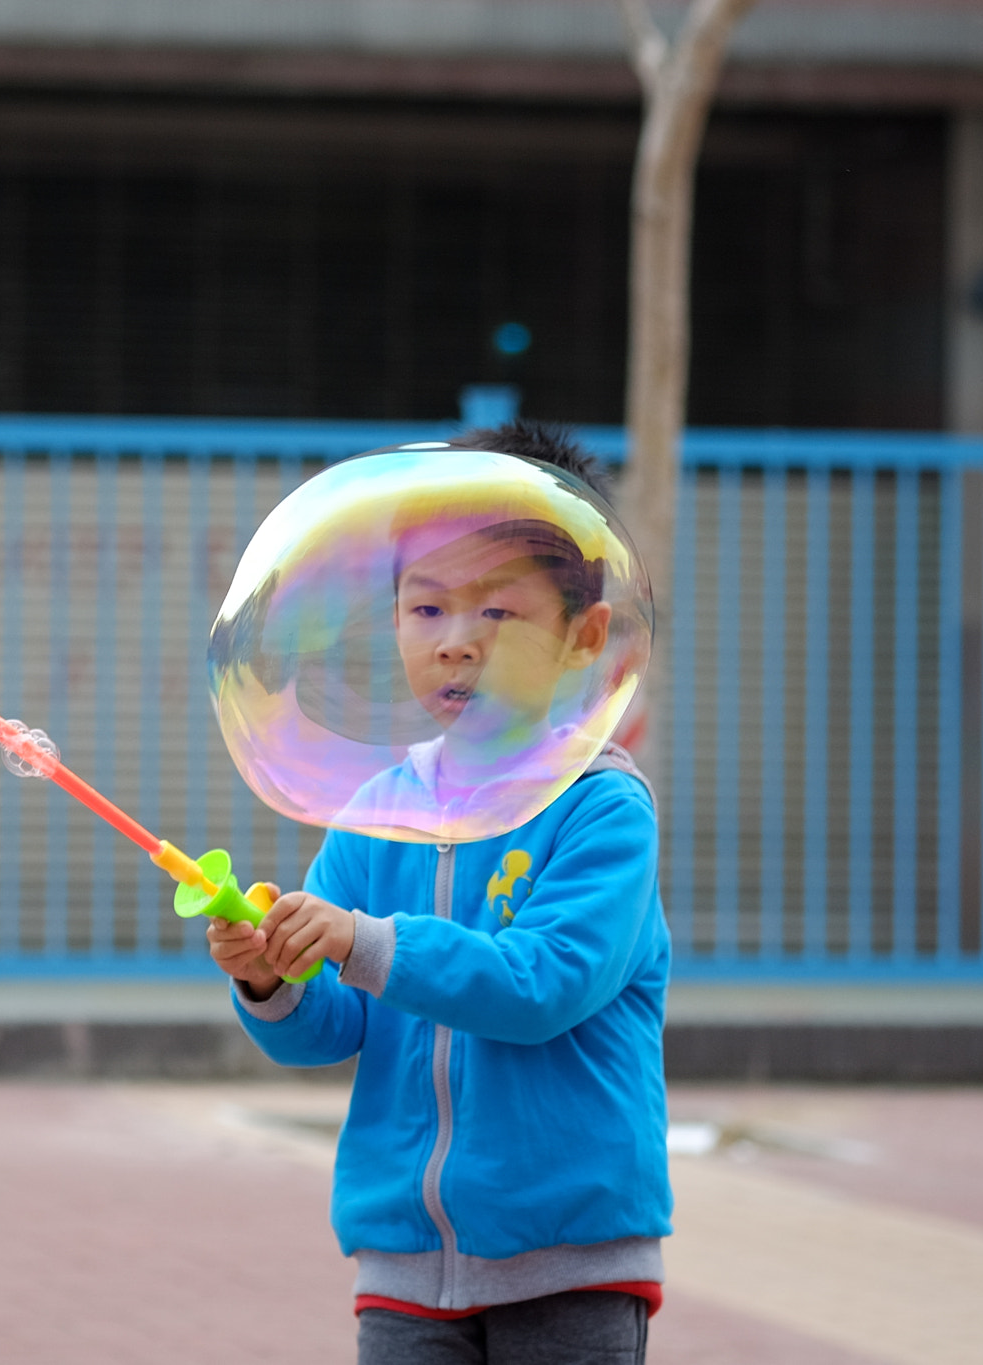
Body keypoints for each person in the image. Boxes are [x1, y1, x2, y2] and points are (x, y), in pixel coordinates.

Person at [209, 420, 671, 1365]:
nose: (457, 643)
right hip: (405, 1262)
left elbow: (542, 986)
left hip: (571, 1257)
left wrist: (357, 940)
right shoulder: (378, 810)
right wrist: (273, 977)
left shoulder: (604, 809)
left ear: (583, 636)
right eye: (426, 611)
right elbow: (329, 1027)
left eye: (497, 613)